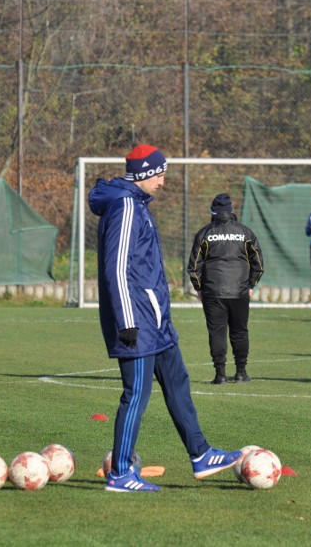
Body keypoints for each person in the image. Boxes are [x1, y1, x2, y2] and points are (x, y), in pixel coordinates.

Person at [89, 145, 242, 493]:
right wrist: (127, 321)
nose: (163, 181)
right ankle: (121, 474)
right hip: (136, 322)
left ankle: (201, 454)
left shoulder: (137, 205)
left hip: (155, 320)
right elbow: (116, 268)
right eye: (159, 174)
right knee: (136, 394)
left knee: (177, 383)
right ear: (143, 174)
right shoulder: (126, 207)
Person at [187, 193, 264, 385]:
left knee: (216, 332)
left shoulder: (204, 233)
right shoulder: (245, 232)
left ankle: (220, 374)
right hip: (239, 291)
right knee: (239, 331)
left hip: (213, 291)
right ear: (231, 211)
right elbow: (259, 264)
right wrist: (251, 284)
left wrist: (199, 288)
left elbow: (194, 265)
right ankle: (241, 373)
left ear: (213, 212)